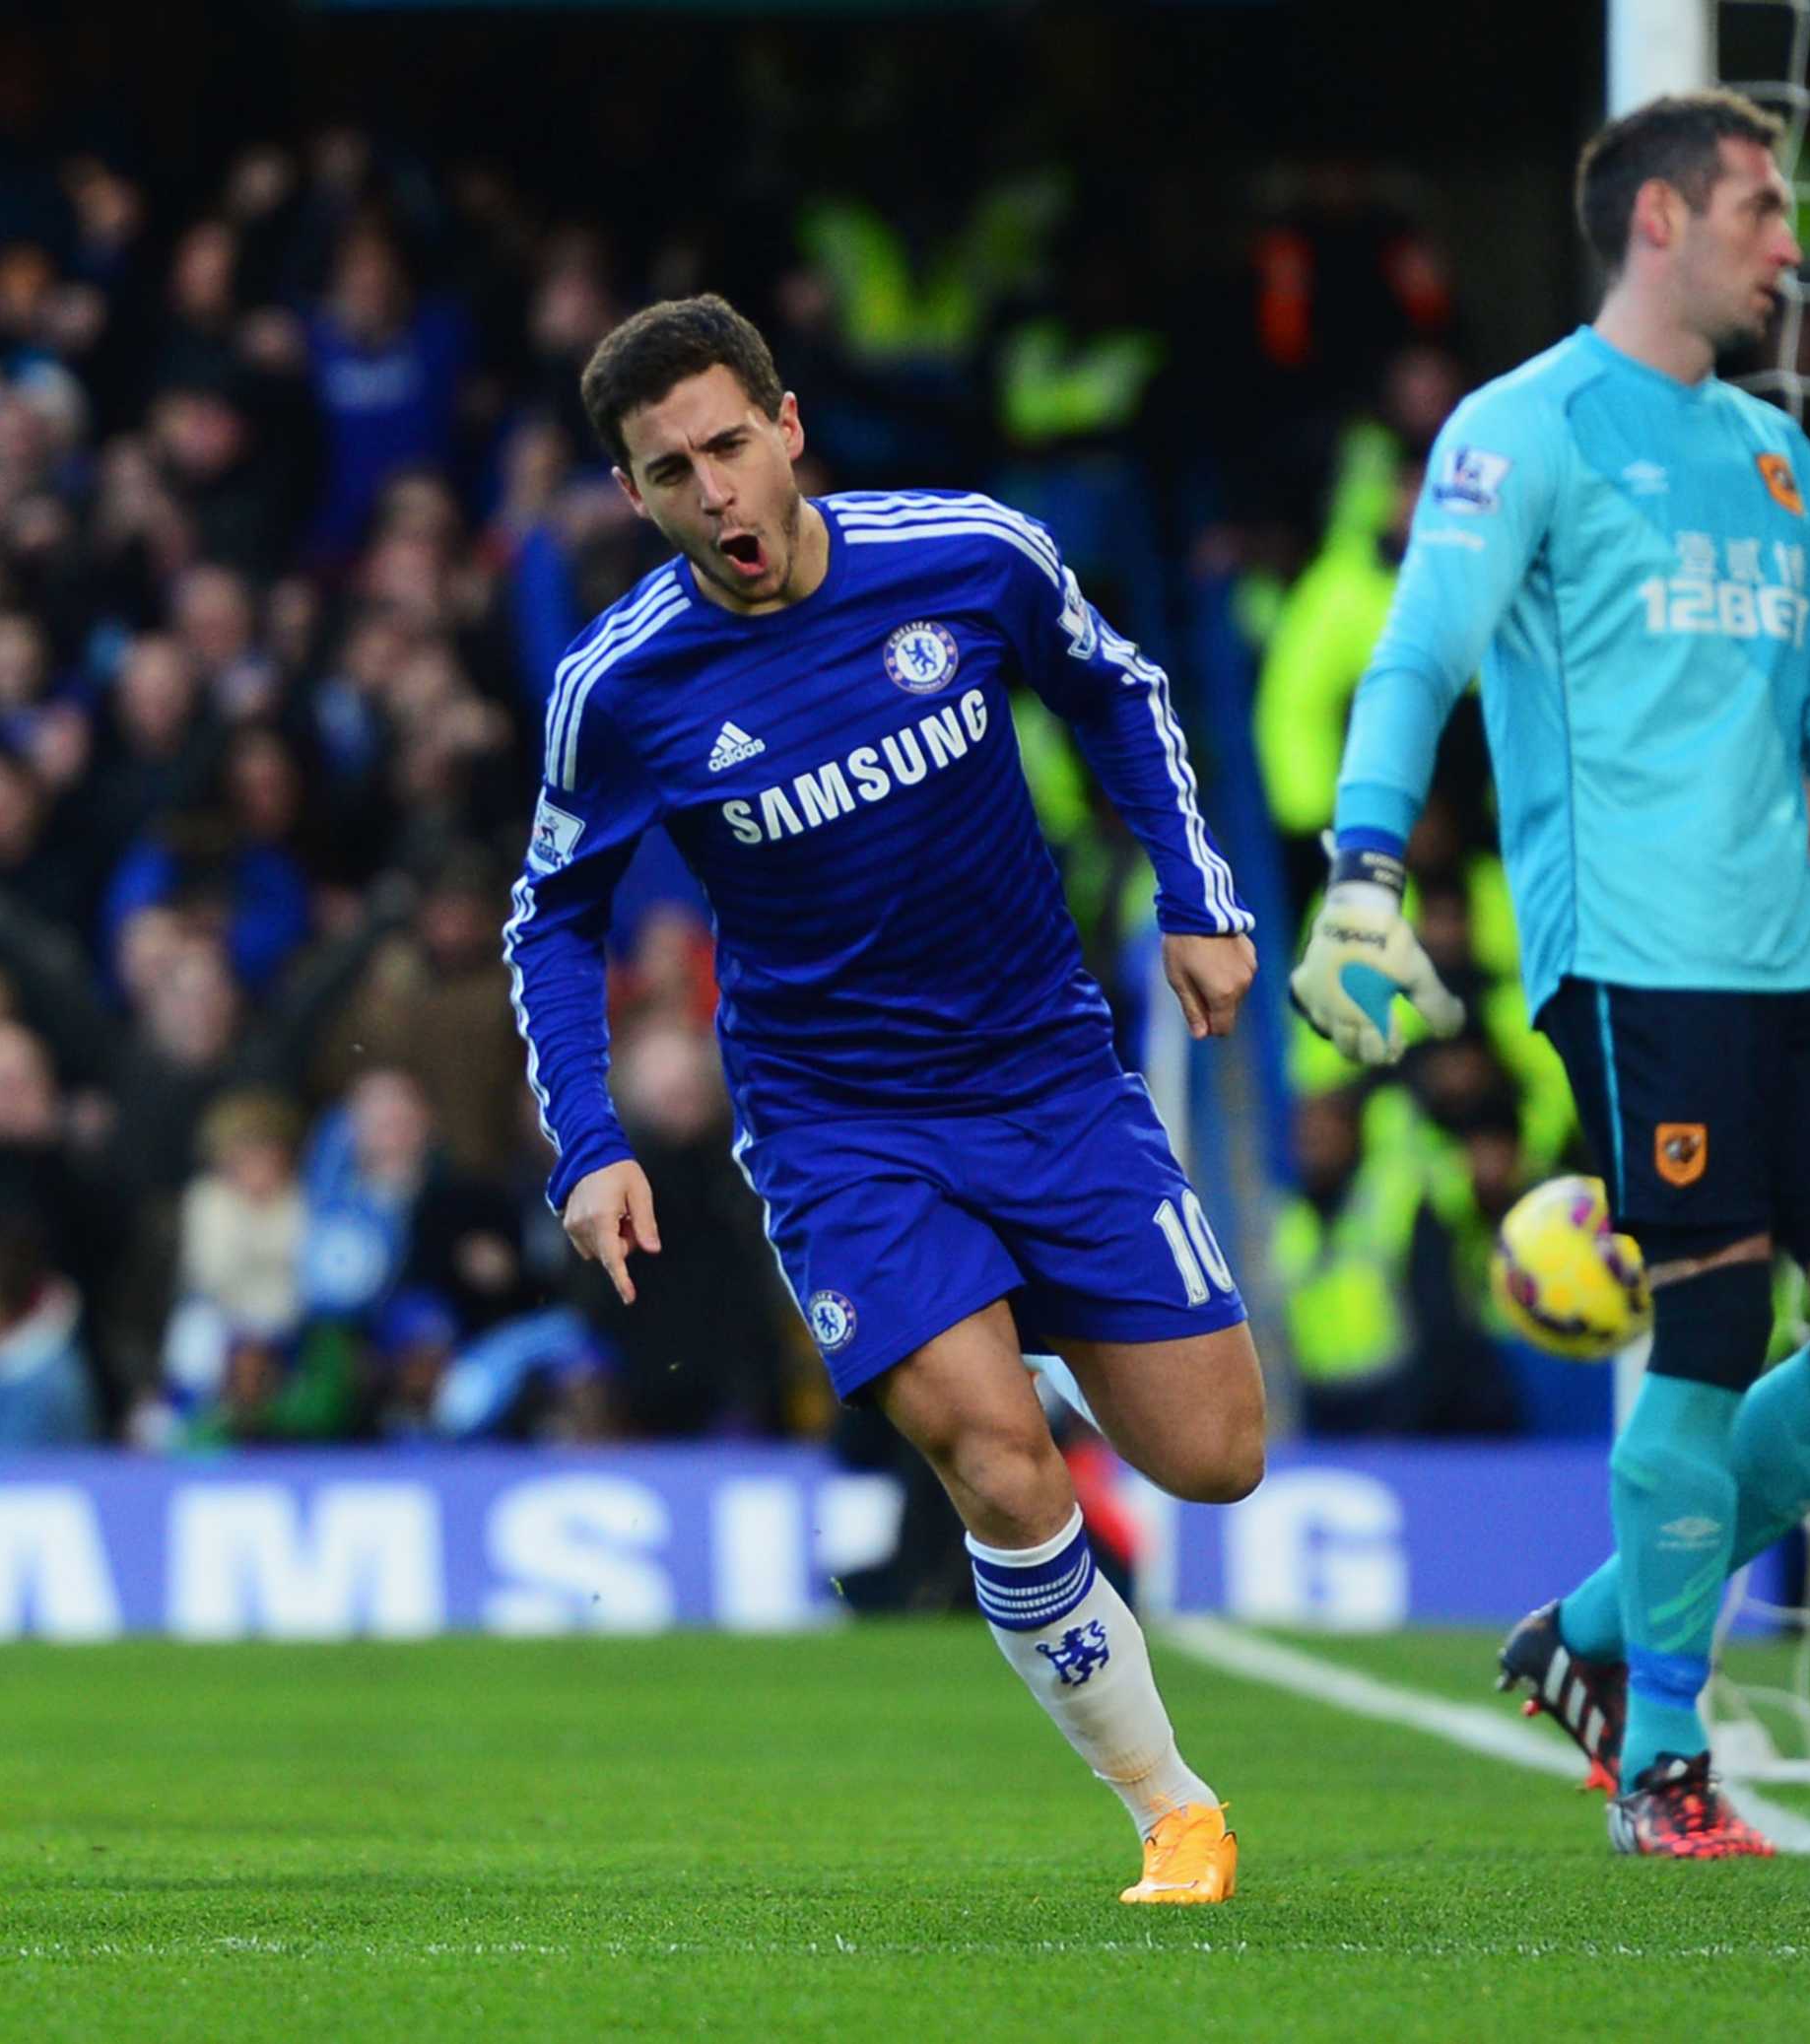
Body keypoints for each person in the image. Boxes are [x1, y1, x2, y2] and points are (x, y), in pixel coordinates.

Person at [1288, 93, 1810, 1858]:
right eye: (1764, 208)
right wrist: (1361, 868)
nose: (1793, 242)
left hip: (1795, 963)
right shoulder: (1524, 430)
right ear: (1661, 223)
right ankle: (1661, 1759)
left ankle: (1582, 1633)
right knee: (1715, 1331)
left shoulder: (1776, 459)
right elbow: (1422, 648)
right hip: (1634, 960)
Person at [507, 295, 1263, 1905]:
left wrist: (1195, 894)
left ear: (788, 430)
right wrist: (590, 1138)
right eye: (668, 473)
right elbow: (550, 917)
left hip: (1048, 1073)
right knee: (1000, 1463)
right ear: (634, 499)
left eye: (727, 446)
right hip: (840, 1126)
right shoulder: (624, 684)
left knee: (1216, 1456)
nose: (713, 496)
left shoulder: (971, 555)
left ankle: (1012, 1311)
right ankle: (1173, 1809)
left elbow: (1117, 690)